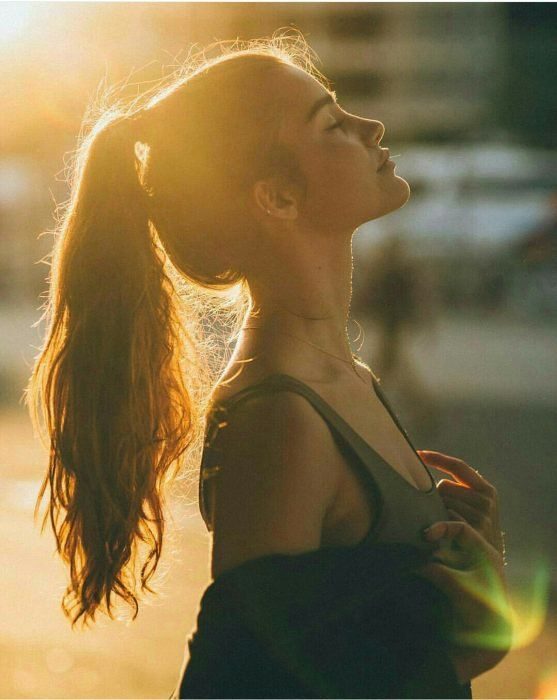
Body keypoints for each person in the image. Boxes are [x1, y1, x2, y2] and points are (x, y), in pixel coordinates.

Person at [26, 33, 513, 699]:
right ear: (277, 198)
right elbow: (243, 686)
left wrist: (459, 560)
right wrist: (467, 649)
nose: (370, 126)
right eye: (332, 123)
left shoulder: (349, 382)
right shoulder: (281, 420)